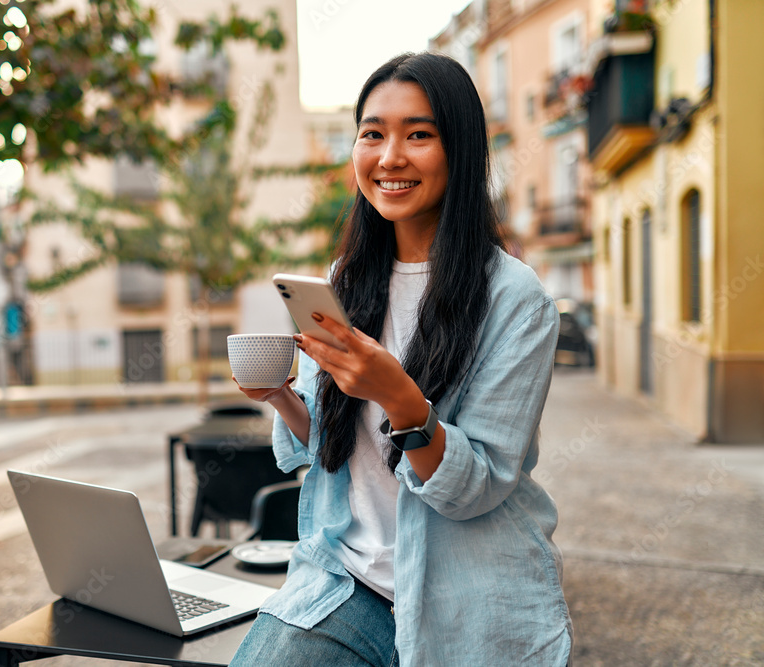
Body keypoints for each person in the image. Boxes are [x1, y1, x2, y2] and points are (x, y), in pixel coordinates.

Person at [229, 52, 573, 666]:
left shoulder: (515, 299)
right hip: (349, 580)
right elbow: (327, 448)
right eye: (372, 134)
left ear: (460, 150)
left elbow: (479, 488)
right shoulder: (344, 281)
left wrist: (400, 399)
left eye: (419, 135)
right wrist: (281, 396)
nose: (390, 158)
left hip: (466, 592)